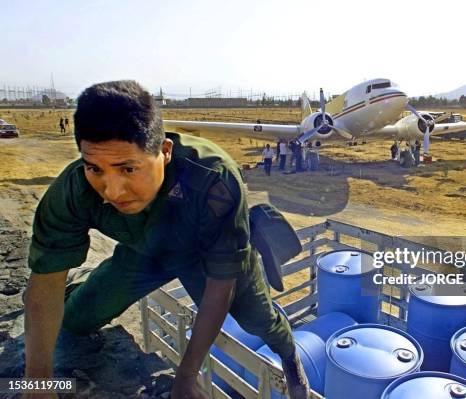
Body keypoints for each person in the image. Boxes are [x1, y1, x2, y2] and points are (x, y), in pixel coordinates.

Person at [23, 81, 309, 399]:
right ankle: (82, 283)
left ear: (165, 152)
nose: (112, 190)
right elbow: (45, 281)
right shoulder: (74, 189)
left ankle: (290, 357)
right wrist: (37, 383)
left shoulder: (213, 180)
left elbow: (221, 287)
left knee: (258, 320)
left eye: (128, 169)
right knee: (77, 318)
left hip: (204, 253)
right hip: (144, 253)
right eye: (95, 168)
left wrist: (186, 376)